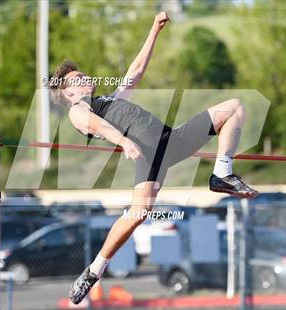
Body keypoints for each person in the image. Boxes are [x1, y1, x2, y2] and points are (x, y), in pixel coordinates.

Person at [49, 12, 258, 305]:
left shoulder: (110, 100)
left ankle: (222, 174)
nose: (86, 78)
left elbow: (134, 72)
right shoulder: (78, 109)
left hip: (171, 141)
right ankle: (94, 270)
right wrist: (123, 141)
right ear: (68, 91)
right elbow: (95, 126)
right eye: (79, 78)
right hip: (147, 154)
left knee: (234, 107)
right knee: (139, 214)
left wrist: (154, 31)